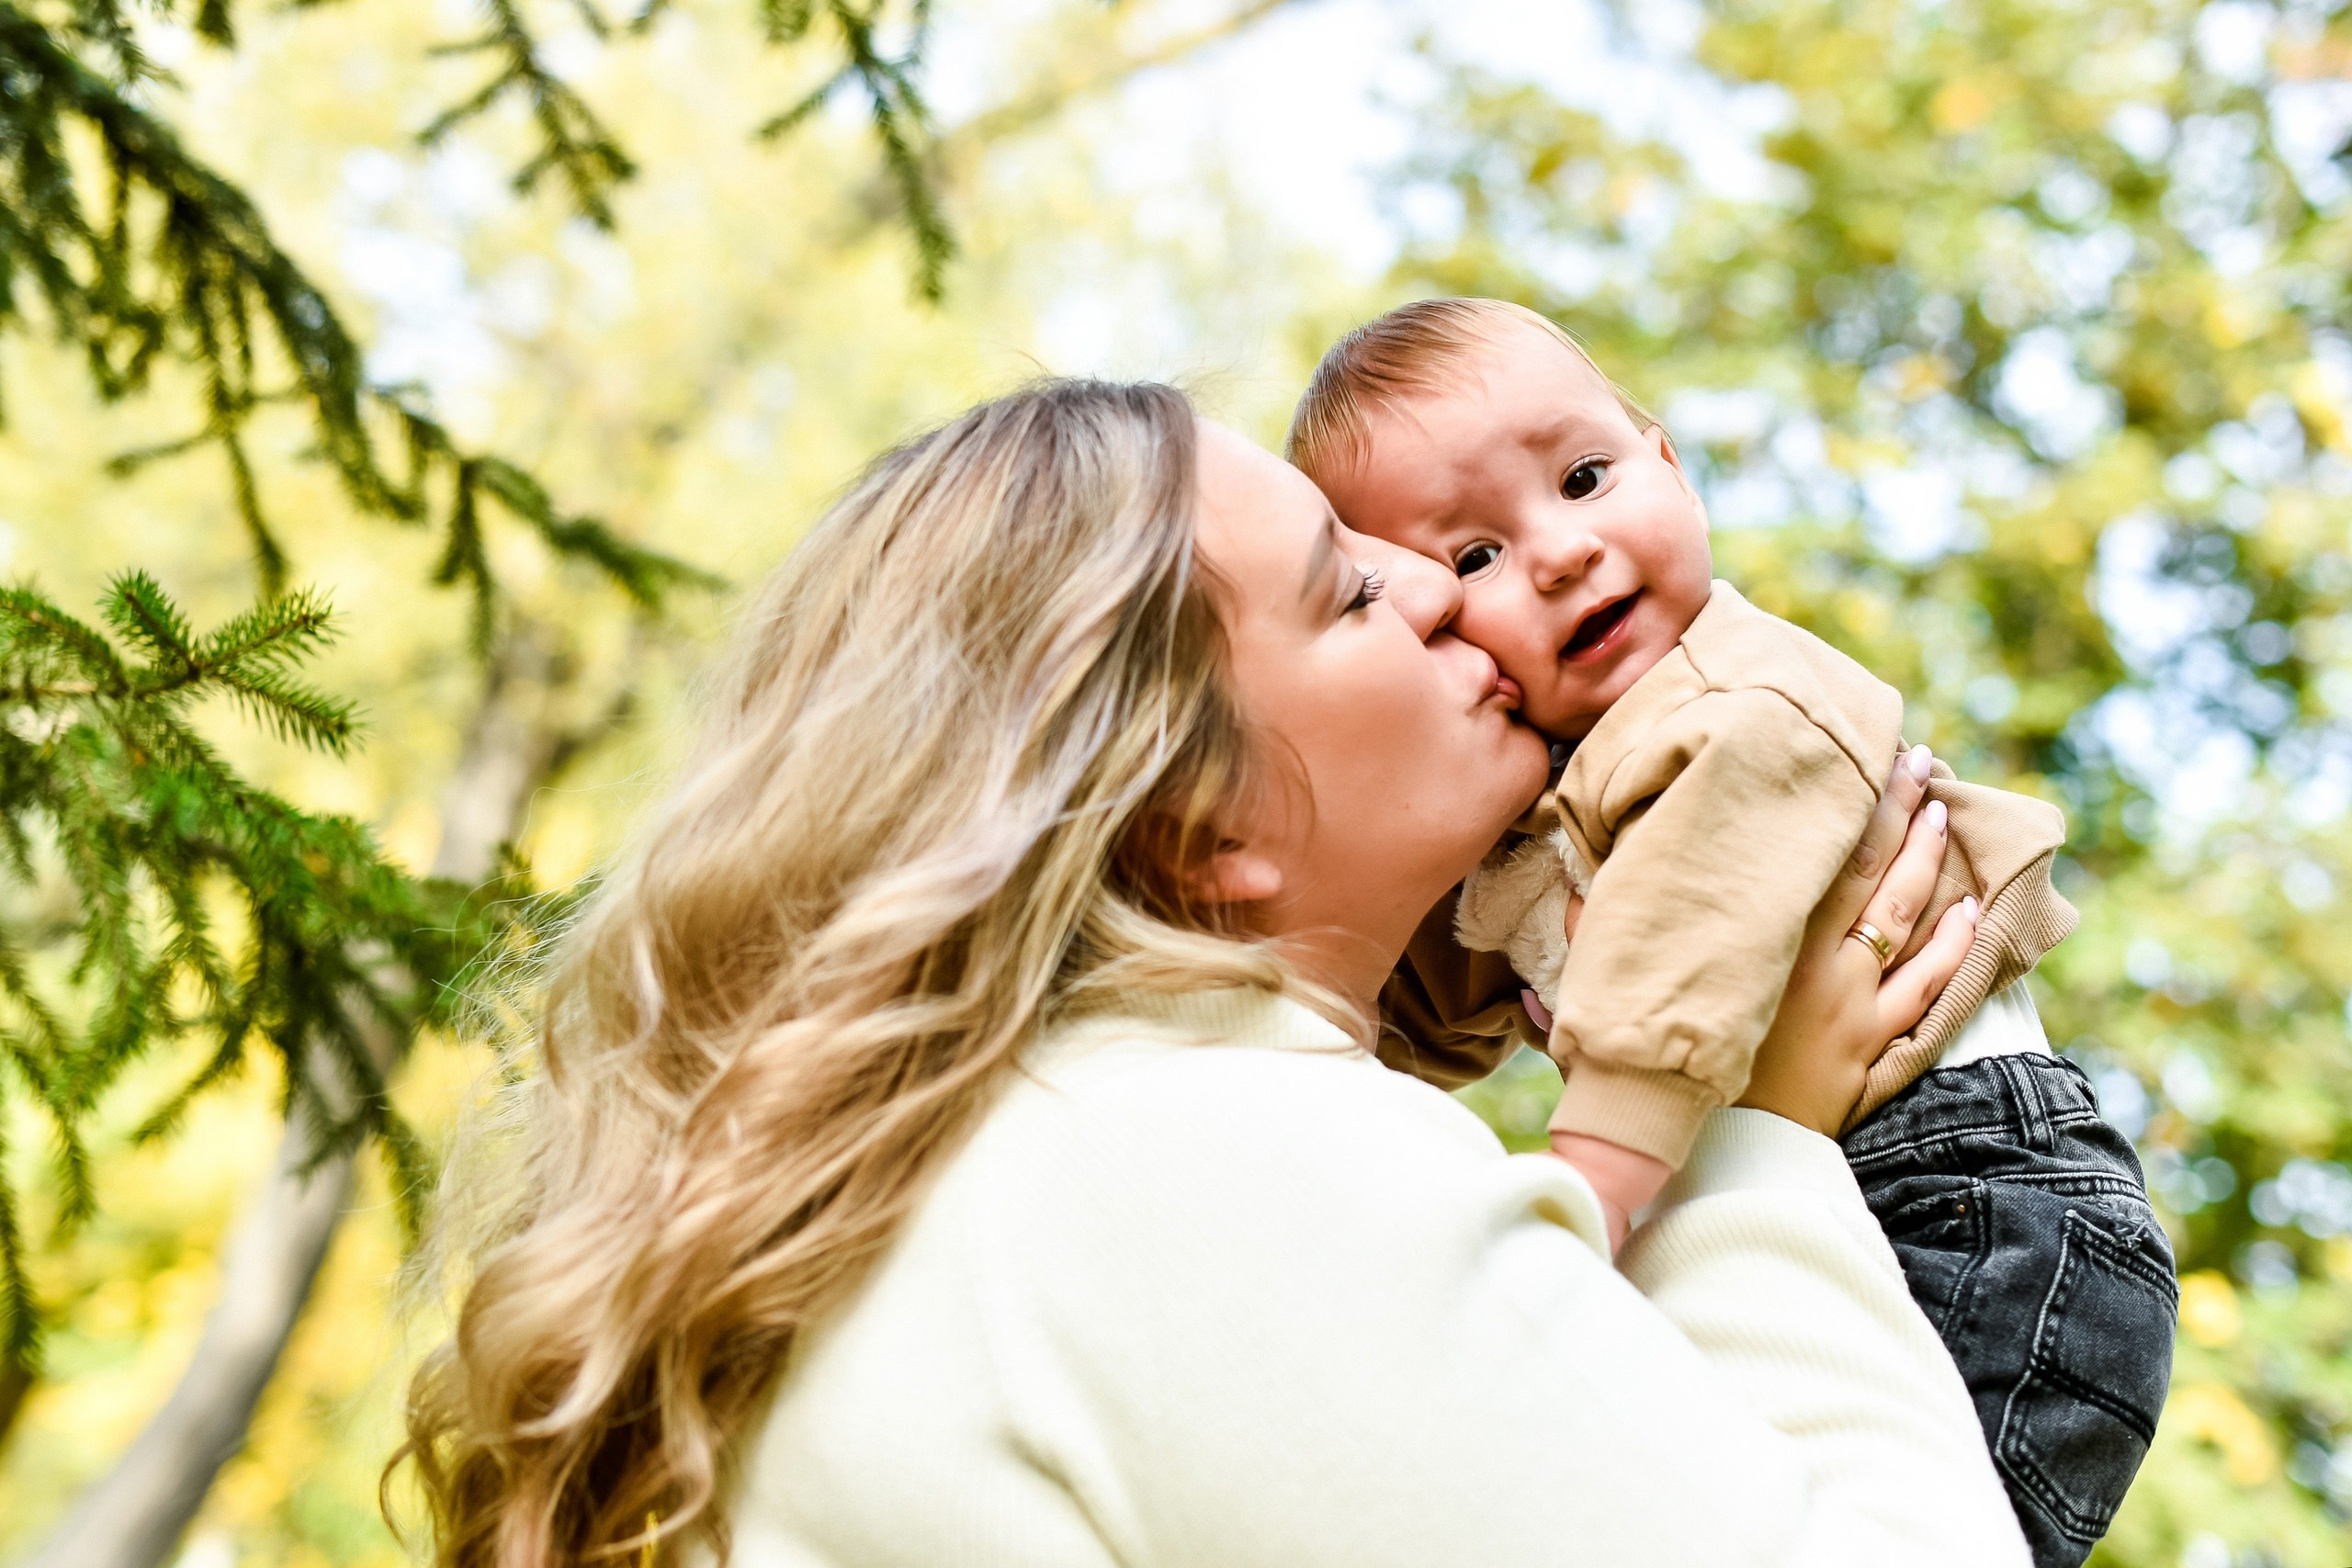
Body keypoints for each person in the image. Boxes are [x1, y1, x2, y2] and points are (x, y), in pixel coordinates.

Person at [398, 378, 2030, 1567]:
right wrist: (1758, 1136)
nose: (1428, 583)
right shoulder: (1208, 1174)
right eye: (1342, 583)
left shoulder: (990, 1186)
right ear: (1197, 825)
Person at [1290, 298, 2176, 1568]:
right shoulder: (1550, 787)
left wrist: (1584, 1206)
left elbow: (1675, 961)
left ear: (1670, 463)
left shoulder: (1731, 703)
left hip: (1978, 1209)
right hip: (1863, 1194)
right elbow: (1428, 1007)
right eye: (1472, 558)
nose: (1555, 554)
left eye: (1584, 479)